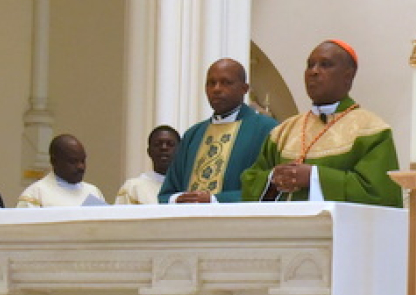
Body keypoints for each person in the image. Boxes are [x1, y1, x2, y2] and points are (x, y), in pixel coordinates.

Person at [241, 40, 402, 206]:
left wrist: (313, 177)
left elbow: (380, 193)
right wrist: (273, 178)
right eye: (310, 65)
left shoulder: (370, 129)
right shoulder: (284, 131)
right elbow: (250, 182)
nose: (314, 72)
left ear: (348, 75)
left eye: (325, 65)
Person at [159, 59, 277, 203]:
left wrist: (215, 200)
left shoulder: (266, 129)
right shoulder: (193, 134)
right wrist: (179, 199)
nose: (216, 89)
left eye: (226, 82)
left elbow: (270, 189)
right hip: (189, 222)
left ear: (244, 89)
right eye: (211, 83)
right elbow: (168, 192)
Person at [17, 134, 106, 208]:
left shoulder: (94, 192)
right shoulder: (35, 195)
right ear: (54, 161)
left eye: (83, 161)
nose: (81, 167)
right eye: (73, 161)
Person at [116, 126, 180, 205]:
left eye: (170, 144)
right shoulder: (133, 188)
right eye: (157, 144)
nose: (164, 148)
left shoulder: (188, 188)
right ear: (149, 151)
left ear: (181, 151)